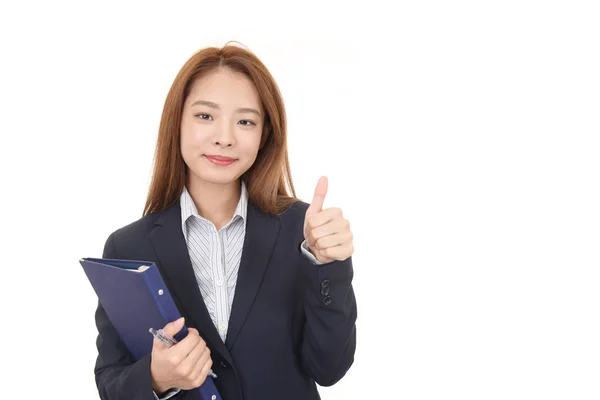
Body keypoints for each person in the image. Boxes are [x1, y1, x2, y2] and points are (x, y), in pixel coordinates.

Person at [93, 42, 357, 400]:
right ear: (177, 122)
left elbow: (329, 369)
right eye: (205, 116)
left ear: (264, 134)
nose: (224, 137)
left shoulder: (303, 232)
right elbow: (111, 383)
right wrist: (156, 377)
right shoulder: (127, 247)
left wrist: (328, 265)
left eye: (245, 121)